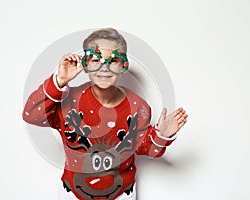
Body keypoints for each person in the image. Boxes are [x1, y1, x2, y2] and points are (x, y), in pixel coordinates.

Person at [22, 28, 188, 200]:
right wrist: (59, 81)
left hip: (121, 194)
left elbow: (144, 147)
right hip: (73, 193)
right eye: (95, 59)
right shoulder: (68, 101)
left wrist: (161, 135)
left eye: (113, 60)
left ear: (124, 65)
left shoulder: (138, 106)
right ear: (85, 65)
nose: (104, 67)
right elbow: (31, 115)